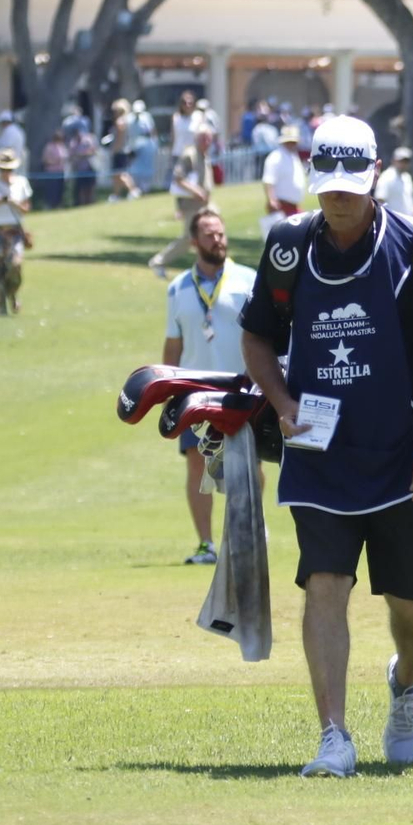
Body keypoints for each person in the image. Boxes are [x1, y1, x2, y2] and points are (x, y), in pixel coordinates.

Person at [238, 115, 413, 778]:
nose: (338, 196)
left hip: (406, 461)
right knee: (325, 583)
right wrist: (282, 403)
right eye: (328, 183)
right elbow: (256, 336)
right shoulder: (287, 248)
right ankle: (334, 735)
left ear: (373, 179)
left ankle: (406, 681)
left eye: (351, 183)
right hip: (320, 459)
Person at [161, 210, 258, 565]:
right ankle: (206, 544)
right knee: (197, 465)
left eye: (220, 233)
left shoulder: (249, 280)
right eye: (208, 234)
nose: (217, 239)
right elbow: (174, 343)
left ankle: (246, 534)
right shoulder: (179, 288)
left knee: (248, 467)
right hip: (194, 393)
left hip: (242, 388)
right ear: (194, 242)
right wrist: (169, 389)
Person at [148, 124, 215, 279]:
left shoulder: (204, 156)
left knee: (211, 234)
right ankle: (158, 262)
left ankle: (210, 268)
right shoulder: (189, 155)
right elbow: (179, 179)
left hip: (204, 204)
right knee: (189, 238)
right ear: (197, 139)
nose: (207, 141)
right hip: (191, 204)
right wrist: (196, 191)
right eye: (204, 138)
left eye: (209, 138)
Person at [0, 150, 32, 315]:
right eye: (3, 169)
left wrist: (13, 203)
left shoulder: (21, 183)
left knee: (15, 265)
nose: (6, 173)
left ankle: (12, 293)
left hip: (14, 231)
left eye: (9, 169)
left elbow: (26, 209)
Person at [262, 126, 307, 217]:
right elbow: (268, 181)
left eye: (294, 142)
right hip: (281, 205)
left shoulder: (293, 156)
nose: (292, 144)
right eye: (289, 142)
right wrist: (271, 199)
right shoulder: (275, 157)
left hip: (293, 205)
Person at [104, 99, 143, 201]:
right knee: (116, 175)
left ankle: (133, 190)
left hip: (120, 151)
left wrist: (115, 150)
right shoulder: (125, 120)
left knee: (121, 174)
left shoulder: (120, 122)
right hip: (123, 150)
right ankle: (115, 195)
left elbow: (119, 139)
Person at [374, 146, 413, 218]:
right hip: (393, 223)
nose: (404, 164)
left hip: (407, 223)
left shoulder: (407, 178)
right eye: (401, 161)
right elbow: (380, 201)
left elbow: (412, 204)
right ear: (394, 161)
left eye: (406, 162)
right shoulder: (387, 177)